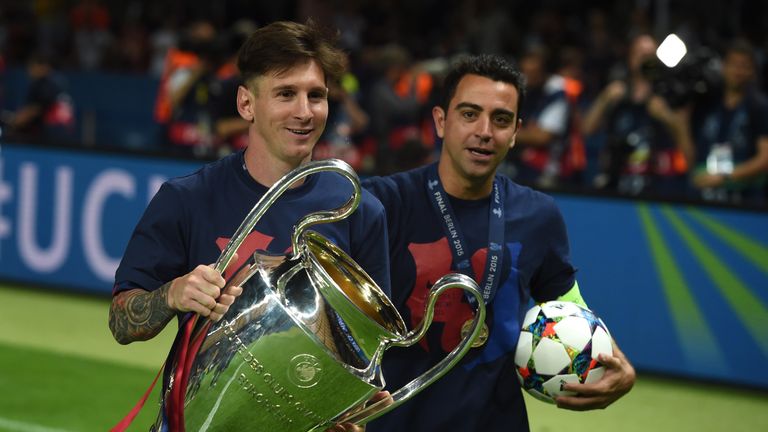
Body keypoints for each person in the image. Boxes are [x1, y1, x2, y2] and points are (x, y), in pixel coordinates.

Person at [109, 20, 390, 431]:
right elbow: (120, 322)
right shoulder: (187, 198)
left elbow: (366, 358)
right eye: (285, 94)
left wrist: (350, 416)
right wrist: (173, 293)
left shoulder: (360, 211)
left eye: (317, 96)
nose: (304, 111)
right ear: (246, 104)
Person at [362, 54, 635, 432]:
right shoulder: (382, 203)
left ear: (516, 132)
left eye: (501, 119)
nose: (485, 131)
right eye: (469, 114)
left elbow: (571, 307)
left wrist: (616, 363)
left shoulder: (538, 215)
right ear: (441, 121)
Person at [582, 33, 689, 196]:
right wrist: (604, 99)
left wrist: (667, 117)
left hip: (657, 189)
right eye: (639, 53)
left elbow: (689, 153)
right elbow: (586, 130)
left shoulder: (670, 95)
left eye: (649, 54)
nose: (644, 58)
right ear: (630, 58)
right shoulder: (617, 93)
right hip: (617, 185)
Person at [680, 38, 768, 205]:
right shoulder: (707, 103)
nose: (738, 71)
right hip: (704, 196)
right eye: (734, 64)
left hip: (744, 201)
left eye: (745, 66)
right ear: (723, 67)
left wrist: (725, 177)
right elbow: (690, 153)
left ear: (753, 72)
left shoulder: (759, 106)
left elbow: (766, 159)